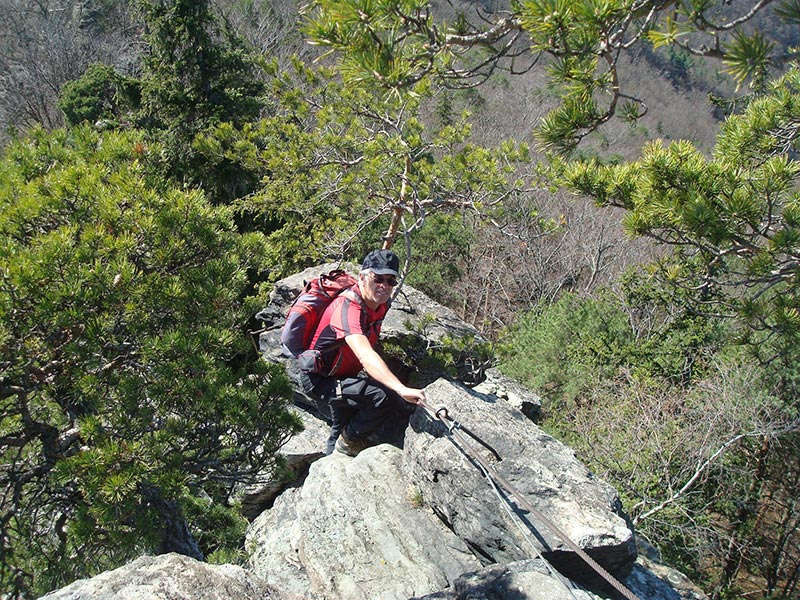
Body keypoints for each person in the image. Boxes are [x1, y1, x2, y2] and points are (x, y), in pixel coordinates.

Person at [300, 249, 427, 456]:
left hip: (342, 374)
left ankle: (333, 461)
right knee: (382, 396)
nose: (384, 286)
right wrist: (401, 388)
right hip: (319, 379)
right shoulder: (347, 307)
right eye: (378, 278)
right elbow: (365, 354)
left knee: (342, 421)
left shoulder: (380, 303)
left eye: (390, 281)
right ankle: (347, 444)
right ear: (362, 277)